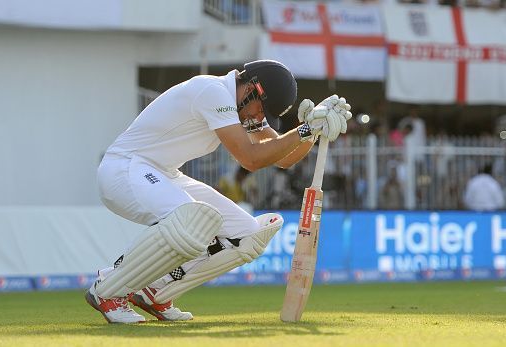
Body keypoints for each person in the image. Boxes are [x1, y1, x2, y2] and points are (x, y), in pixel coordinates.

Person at [85, 59, 352, 324]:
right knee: (192, 219)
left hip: (162, 174)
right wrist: (303, 129)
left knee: (246, 233)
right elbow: (251, 159)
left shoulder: (243, 106)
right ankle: (109, 289)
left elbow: (282, 157)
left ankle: (156, 290)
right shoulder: (213, 92)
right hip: (124, 168)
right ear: (252, 89)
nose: (259, 118)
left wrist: (314, 131)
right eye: (262, 110)